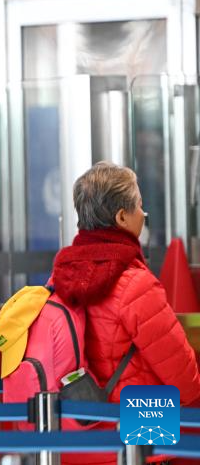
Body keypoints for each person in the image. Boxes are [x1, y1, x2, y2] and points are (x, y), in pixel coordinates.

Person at [52, 162, 200, 465]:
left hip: (81, 431)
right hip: (142, 431)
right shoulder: (136, 283)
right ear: (122, 216)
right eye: (140, 207)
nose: (143, 215)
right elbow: (184, 378)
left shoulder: (60, 278)